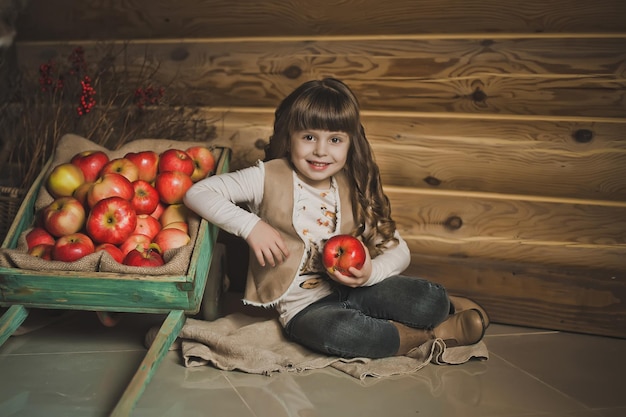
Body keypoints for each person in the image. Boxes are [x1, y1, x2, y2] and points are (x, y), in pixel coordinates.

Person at [184, 78, 488, 359]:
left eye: (335, 140)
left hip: (358, 288)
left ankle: (445, 306)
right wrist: (251, 226)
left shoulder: (351, 185)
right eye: (308, 136)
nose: (320, 150)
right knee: (343, 333)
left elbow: (400, 250)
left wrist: (370, 274)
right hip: (304, 307)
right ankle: (433, 334)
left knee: (427, 301)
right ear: (289, 137)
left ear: (350, 142)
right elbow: (198, 193)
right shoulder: (267, 177)